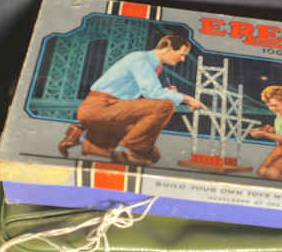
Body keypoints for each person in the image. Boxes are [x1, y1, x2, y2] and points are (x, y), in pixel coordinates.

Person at [58, 34, 202, 166]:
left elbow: (143, 98)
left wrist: (167, 92)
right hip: (99, 108)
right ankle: (125, 149)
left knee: (152, 156)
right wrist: (186, 98)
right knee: (165, 106)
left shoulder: (153, 66)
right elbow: (153, 93)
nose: (183, 59)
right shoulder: (140, 59)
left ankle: (83, 138)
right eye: (182, 54)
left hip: (114, 110)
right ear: (168, 49)